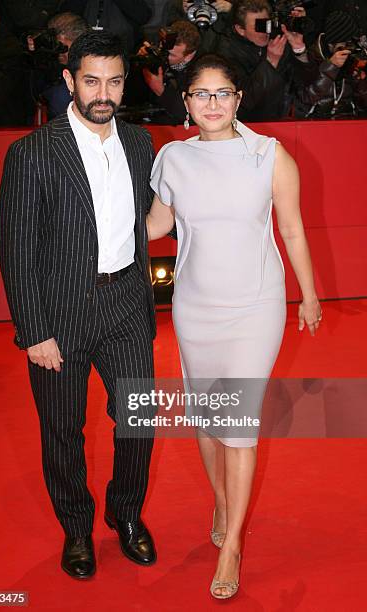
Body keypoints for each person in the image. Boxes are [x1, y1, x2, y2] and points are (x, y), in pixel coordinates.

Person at [146, 54, 321, 599]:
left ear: (238, 99)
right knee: (206, 420)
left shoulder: (270, 156)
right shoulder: (172, 158)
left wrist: (309, 294)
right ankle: (221, 501)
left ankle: (232, 547)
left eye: (223, 93)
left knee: (237, 425)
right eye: (201, 94)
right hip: (195, 306)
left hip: (256, 306)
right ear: (186, 102)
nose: (213, 104)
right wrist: (94, 222)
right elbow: (156, 224)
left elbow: (291, 229)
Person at [0, 30, 157, 580]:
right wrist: (34, 330)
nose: (103, 92)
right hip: (59, 314)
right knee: (62, 433)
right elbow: (17, 251)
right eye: (91, 80)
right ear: (68, 82)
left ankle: (126, 513)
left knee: (140, 418)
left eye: (114, 80)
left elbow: (146, 222)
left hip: (127, 306)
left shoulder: (140, 145)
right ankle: (77, 529)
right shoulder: (31, 153)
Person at [216, 0, 315, 121]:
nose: (266, 31)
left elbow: (308, 85)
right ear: (240, 29)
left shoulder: (278, 39)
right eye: (259, 26)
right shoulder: (226, 52)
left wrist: (299, 49)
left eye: (267, 24)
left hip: (284, 120)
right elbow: (245, 100)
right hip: (248, 126)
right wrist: (270, 62)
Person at [295, 11, 367, 119]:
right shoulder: (309, 58)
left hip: (348, 124)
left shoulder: (353, 60)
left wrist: (361, 79)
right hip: (315, 125)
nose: (349, 48)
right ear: (330, 44)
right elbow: (305, 99)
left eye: (351, 44)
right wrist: (331, 67)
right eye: (344, 44)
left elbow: (362, 104)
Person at [140, 20, 200, 123]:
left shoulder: (201, 73)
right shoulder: (155, 44)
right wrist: (142, 62)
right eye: (162, 48)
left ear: (188, 57)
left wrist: (162, 92)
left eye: (171, 55)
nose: (164, 55)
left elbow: (192, 115)